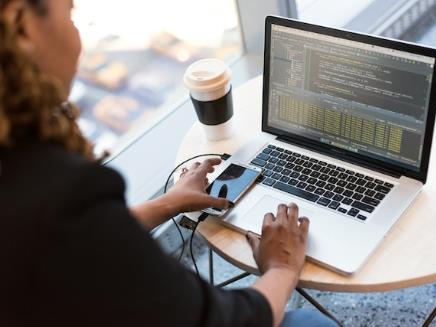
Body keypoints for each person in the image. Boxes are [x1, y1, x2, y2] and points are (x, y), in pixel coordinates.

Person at [0, 1, 338, 326]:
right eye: (70, 13)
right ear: (22, 25)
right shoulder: (61, 193)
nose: (77, 36)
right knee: (311, 322)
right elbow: (223, 321)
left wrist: (166, 203)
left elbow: (70, 242)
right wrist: (281, 268)